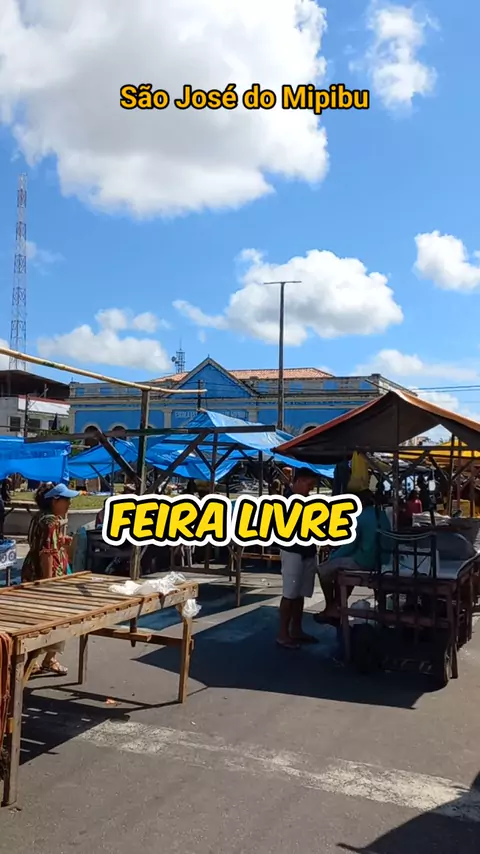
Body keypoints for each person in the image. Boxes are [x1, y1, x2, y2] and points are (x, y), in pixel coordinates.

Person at [22, 482, 79, 675]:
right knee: (57, 617)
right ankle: (48, 659)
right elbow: (46, 553)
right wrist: (49, 582)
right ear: (55, 501)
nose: (69, 504)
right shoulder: (51, 522)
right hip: (46, 573)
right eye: (66, 500)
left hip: (30, 570)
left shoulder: (39, 517)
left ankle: (36, 660)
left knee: (34, 617)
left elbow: (40, 543)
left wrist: (61, 541)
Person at [314, 490, 392, 623]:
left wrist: (332, 557)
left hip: (366, 562)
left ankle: (331, 607)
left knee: (323, 570)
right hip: (383, 561)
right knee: (344, 568)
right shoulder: (382, 515)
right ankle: (336, 606)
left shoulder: (360, 517)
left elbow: (349, 546)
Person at [277, 468, 319, 650]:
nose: (310, 489)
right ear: (300, 481)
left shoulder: (306, 501)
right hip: (292, 551)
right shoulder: (286, 500)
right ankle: (283, 633)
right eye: (309, 485)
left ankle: (296, 629)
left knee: (300, 594)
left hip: (308, 551)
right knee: (290, 594)